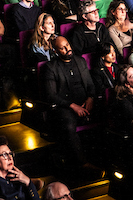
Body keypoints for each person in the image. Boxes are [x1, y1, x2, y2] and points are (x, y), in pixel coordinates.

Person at [42, 36, 96, 176]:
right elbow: (51, 95)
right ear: (55, 51)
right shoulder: (51, 67)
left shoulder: (80, 61)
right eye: (63, 48)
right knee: (68, 125)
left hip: (85, 102)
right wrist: (72, 106)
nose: (68, 49)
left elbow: (91, 85)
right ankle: (82, 163)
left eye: (68, 45)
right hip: (65, 106)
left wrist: (90, 98)